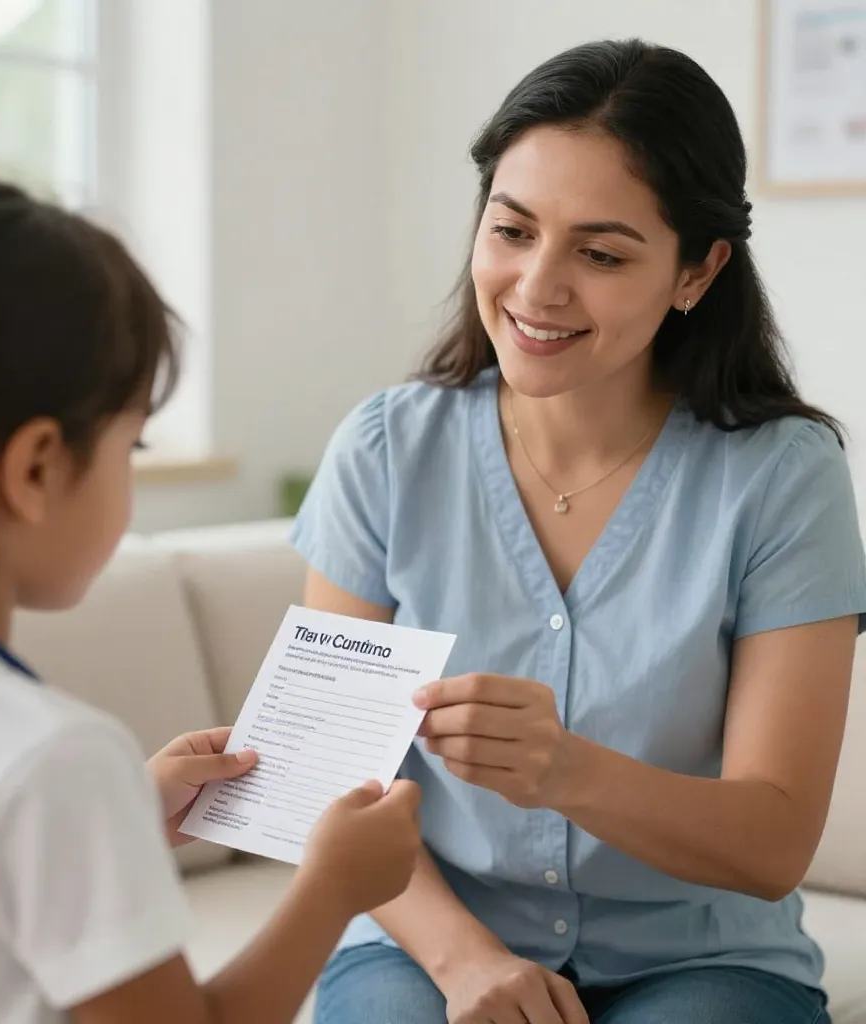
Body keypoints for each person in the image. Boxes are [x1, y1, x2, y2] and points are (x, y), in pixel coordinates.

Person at [292, 38, 866, 1024]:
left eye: (599, 253)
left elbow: (773, 843)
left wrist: (566, 769)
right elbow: (332, 781)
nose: (537, 287)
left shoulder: (783, 478)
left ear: (697, 270)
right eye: (511, 230)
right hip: (426, 941)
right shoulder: (385, 450)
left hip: (700, 959)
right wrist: (469, 961)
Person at [0, 173, 422, 1024]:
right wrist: (332, 888)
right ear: (35, 468)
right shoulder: (50, 760)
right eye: (131, 443)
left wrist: (120, 826)